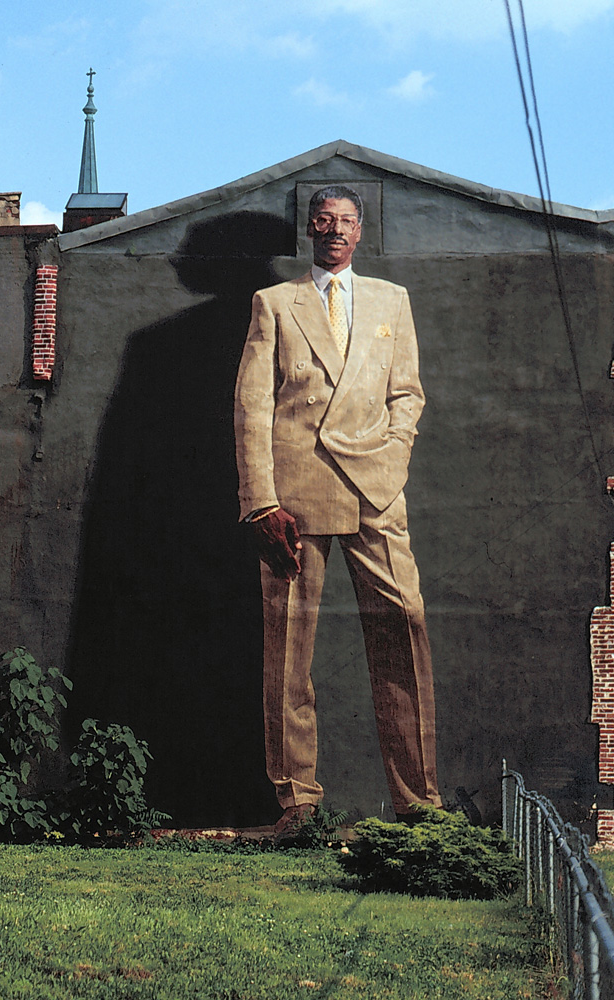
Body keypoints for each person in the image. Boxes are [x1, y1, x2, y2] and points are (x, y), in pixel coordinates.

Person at [234, 184, 441, 836]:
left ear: (360, 230)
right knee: (287, 652)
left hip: (375, 489)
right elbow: (252, 407)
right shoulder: (274, 303)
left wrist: (392, 461)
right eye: (323, 221)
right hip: (294, 497)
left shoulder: (391, 300)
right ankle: (297, 803)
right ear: (310, 230)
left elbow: (407, 395)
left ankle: (419, 805)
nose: (335, 232)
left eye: (346, 221)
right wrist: (261, 502)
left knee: (404, 626)